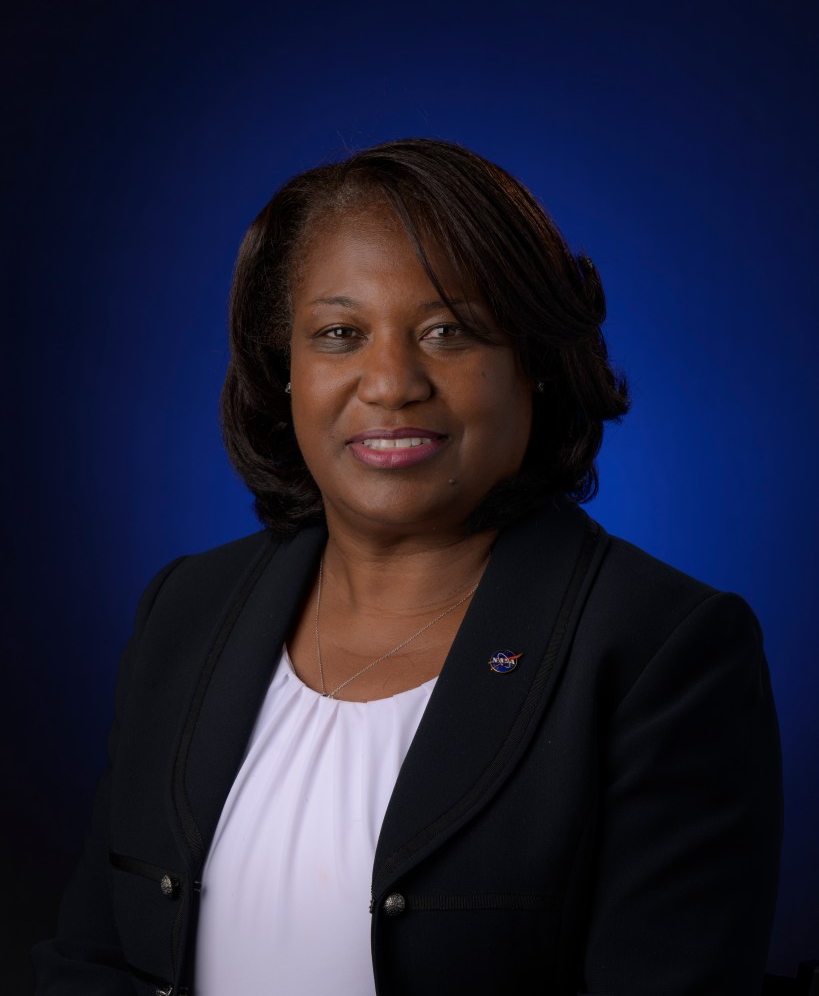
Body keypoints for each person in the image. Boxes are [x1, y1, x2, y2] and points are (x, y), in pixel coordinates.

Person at [33, 139, 782, 996]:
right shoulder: (185, 609)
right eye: (339, 334)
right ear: (286, 371)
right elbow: (89, 960)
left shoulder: (660, 649)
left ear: (532, 364)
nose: (389, 382)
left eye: (447, 331)